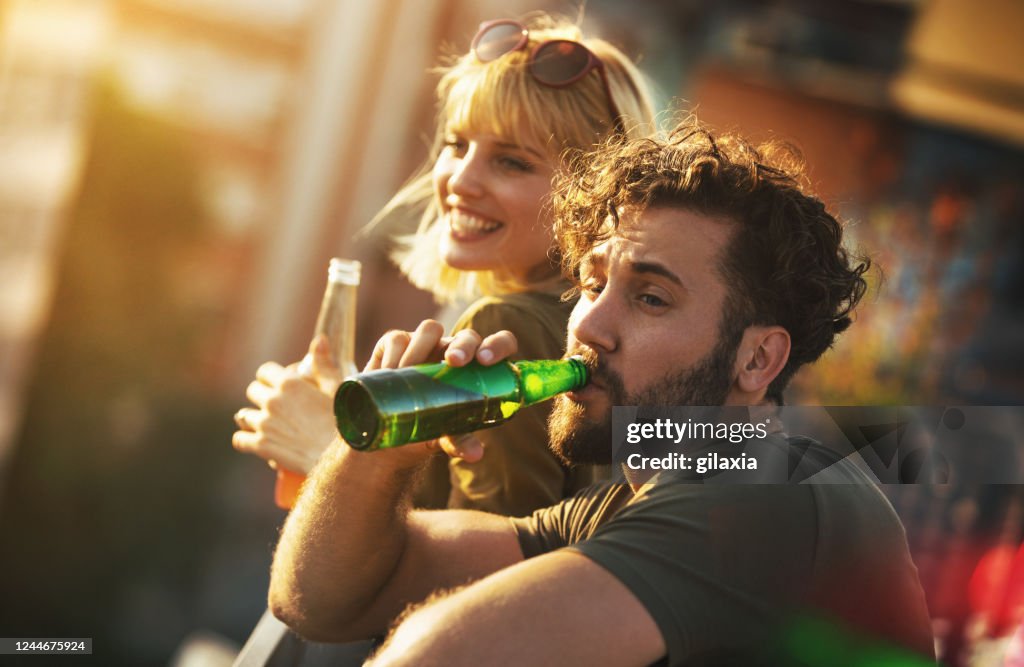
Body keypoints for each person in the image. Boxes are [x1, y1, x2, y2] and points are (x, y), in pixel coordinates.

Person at [266, 120, 936, 666]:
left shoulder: (764, 495)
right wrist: (377, 454)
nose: (586, 325)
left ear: (757, 357)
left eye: (649, 297)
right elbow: (323, 599)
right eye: (591, 284)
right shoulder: (633, 500)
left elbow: (434, 658)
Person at [232, 12, 657, 516]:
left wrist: (327, 449)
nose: (459, 180)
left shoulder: (506, 326)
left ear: (593, 194)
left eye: (511, 161)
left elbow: (485, 572)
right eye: (457, 144)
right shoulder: (600, 330)